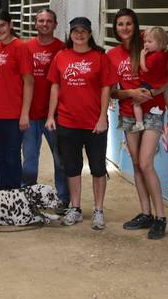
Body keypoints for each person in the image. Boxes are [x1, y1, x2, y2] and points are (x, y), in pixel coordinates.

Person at [107, 8, 168, 240]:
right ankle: (145, 213)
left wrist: (151, 93)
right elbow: (113, 93)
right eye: (120, 24)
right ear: (115, 28)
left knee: (146, 162)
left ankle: (160, 217)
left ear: (135, 25)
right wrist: (130, 93)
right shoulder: (112, 55)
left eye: (129, 23)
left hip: (153, 109)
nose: (125, 28)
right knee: (137, 164)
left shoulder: (148, 44)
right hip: (128, 113)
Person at [46, 17, 118, 230]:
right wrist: (51, 116)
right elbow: (55, 88)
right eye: (75, 31)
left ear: (89, 33)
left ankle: (98, 210)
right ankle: (76, 208)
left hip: (94, 123)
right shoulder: (61, 56)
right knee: (72, 167)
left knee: (97, 167)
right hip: (68, 121)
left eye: (83, 31)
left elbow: (106, 88)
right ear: (70, 33)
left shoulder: (100, 57)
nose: (79, 35)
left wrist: (103, 116)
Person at [21, 9, 69, 209]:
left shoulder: (63, 48)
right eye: (40, 20)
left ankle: (64, 199)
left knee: (61, 160)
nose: (44, 24)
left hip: (55, 115)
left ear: (55, 24)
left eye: (49, 21)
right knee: (30, 161)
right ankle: (28, 198)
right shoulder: (26, 47)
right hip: (31, 115)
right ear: (35, 23)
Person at [0, 9, 33, 191]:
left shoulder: (21, 47)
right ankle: (2, 197)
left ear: (10, 25)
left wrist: (24, 114)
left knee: (12, 157)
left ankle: (15, 197)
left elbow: (29, 82)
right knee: (0, 158)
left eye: (2, 25)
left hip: (13, 114)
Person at [131, 26, 168, 131]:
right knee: (166, 93)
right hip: (161, 81)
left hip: (149, 83)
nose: (146, 44)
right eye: (145, 41)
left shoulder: (153, 57)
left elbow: (145, 68)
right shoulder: (164, 53)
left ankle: (139, 123)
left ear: (160, 43)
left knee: (136, 103)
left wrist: (142, 56)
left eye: (149, 42)